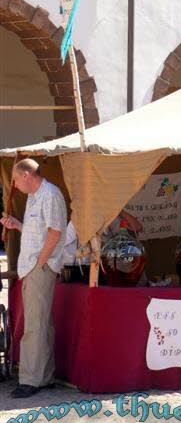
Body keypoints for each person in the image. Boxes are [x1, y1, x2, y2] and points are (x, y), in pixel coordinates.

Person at [0, 159, 67, 398]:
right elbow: (38, 230)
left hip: (39, 266)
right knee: (42, 324)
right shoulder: (35, 196)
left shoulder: (50, 194)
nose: (15, 185)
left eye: (16, 180)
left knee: (34, 326)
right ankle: (44, 376)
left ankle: (30, 380)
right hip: (32, 266)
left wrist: (40, 263)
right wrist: (17, 225)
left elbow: (55, 231)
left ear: (27, 175)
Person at [61, 209, 144, 275]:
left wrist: (119, 210)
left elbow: (137, 227)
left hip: (98, 268)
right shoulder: (80, 217)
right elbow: (94, 244)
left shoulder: (109, 217)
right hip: (75, 267)